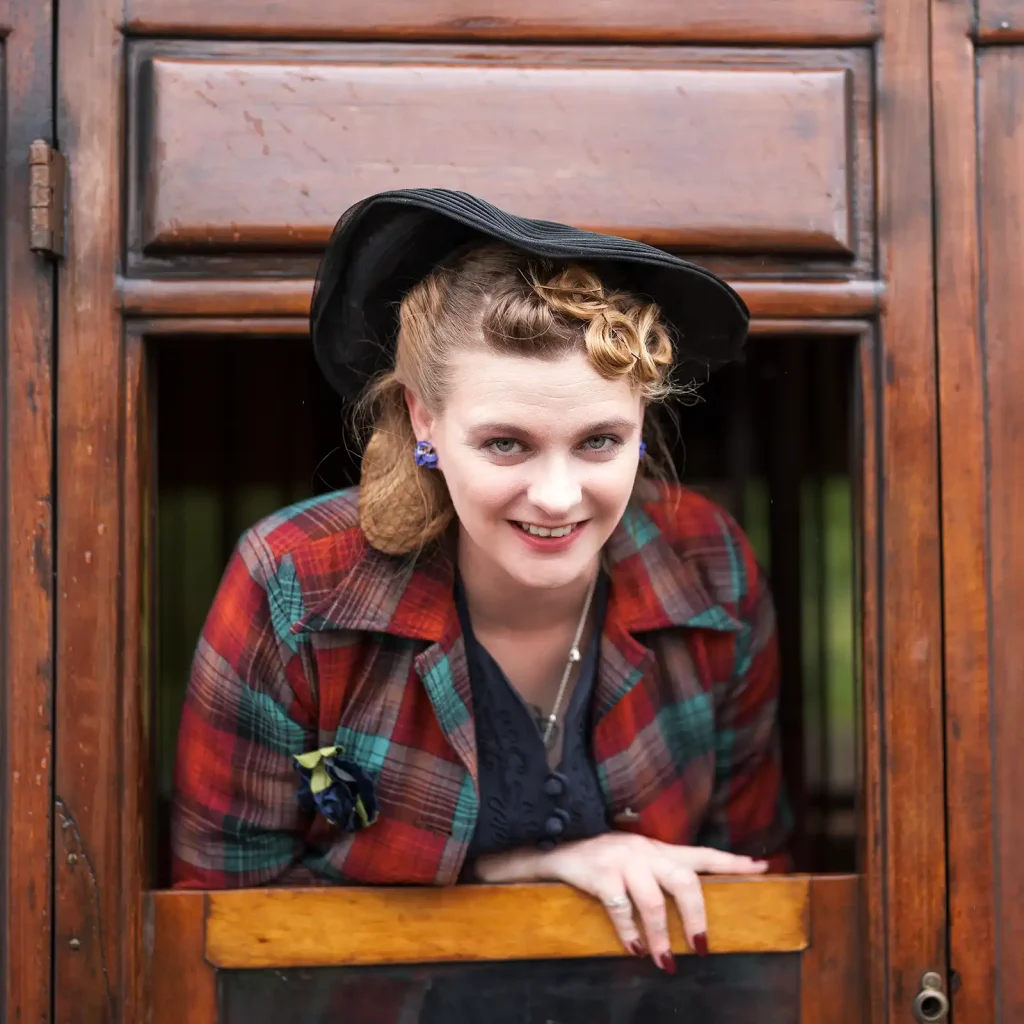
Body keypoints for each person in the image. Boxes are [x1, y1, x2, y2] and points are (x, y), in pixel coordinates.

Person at [171, 189, 790, 973]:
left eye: (601, 440)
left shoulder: (709, 566)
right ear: (423, 420)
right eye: (506, 444)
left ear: (643, 421)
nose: (559, 497)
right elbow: (222, 924)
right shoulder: (295, 584)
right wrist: (507, 869)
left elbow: (755, 889)